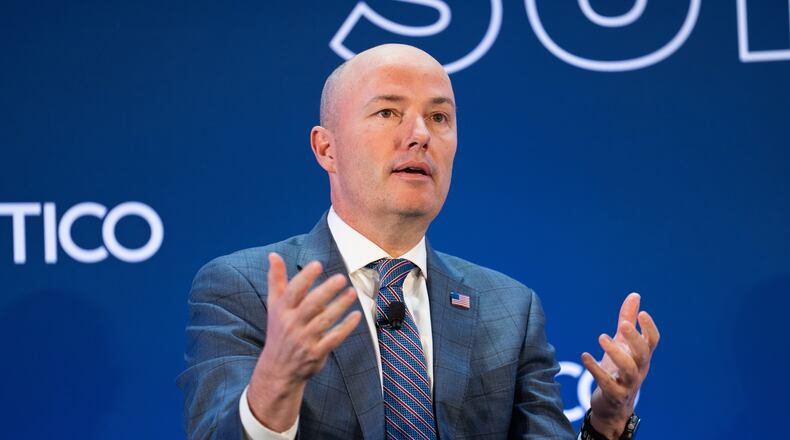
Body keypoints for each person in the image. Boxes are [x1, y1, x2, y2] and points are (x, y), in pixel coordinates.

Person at [177, 44, 660, 440]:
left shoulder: (510, 310)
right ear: (327, 148)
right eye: (388, 112)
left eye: (439, 117)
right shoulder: (247, 288)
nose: (419, 135)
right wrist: (274, 386)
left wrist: (607, 422)